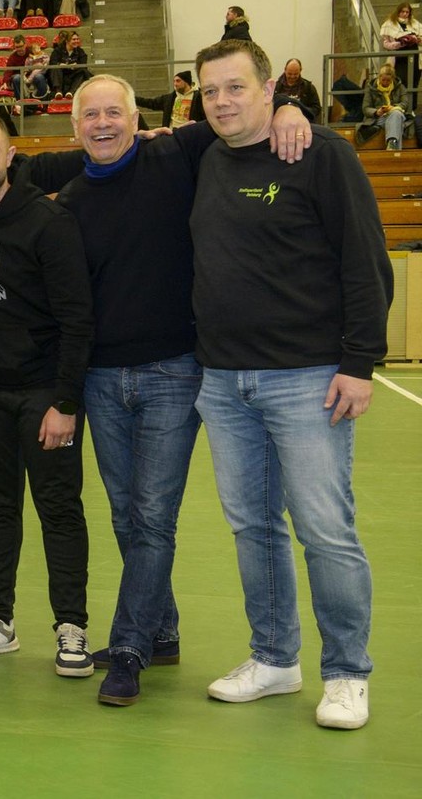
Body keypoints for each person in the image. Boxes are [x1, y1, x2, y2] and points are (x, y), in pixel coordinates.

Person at [40, 73, 311, 706]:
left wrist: (292, 105)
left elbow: (240, 113)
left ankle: (130, 645)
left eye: (116, 112)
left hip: (174, 372)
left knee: (153, 517)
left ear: (140, 118)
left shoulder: (176, 153)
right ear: (75, 128)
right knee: (126, 512)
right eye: (91, 116)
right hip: (103, 378)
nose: (104, 124)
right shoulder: (70, 197)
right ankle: (161, 632)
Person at [190, 39, 391, 730]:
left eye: (236, 87)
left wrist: (361, 362)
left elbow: (365, 260)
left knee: (325, 530)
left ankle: (346, 672)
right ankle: (275, 657)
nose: (223, 101)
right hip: (222, 381)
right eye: (210, 90)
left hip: (308, 380)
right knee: (253, 529)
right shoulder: (205, 157)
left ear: (269, 87)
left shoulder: (318, 153)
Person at [0, 109, 93, 678]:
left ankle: (71, 626)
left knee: (58, 507)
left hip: (43, 392)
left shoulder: (47, 222)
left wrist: (66, 401)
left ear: (10, 156)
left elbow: (78, 318)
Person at [361, 62, 413, 150]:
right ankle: (394, 146)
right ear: (379, 77)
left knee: (396, 114)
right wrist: (376, 112)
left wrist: (394, 108)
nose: (385, 82)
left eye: (388, 80)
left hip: (396, 115)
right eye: (383, 79)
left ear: (392, 78)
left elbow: (405, 103)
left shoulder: (400, 87)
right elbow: (365, 108)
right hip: (378, 118)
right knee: (397, 120)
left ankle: (392, 143)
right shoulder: (370, 89)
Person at [136, 70, 206, 128]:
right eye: (174, 81)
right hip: (172, 133)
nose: (175, 84)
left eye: (178, 81)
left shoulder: (199, 97)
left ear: (186, 82)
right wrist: (132, 98)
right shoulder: (169, 99)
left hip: (190, 133)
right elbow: (151, 103)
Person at [379, 1, 420, 89]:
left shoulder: (414, 23)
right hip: (399, 57)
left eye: (407, 12)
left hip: (414, 56)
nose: (405, 14)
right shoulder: (389, 24)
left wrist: (416, 39)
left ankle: (412, 102)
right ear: (398, 12)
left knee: (414, 82)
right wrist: (399, 43)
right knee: (402, 81)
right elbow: (386, 44)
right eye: (402, 12)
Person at [50, 31, 90, 97]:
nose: (76, 41)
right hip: (61, 74)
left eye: (77, 39)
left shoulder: (80, 51)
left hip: (73, 74)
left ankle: (71, 92)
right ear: (67, 41)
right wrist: (60, 64)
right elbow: (52, 62)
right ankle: (58, 91)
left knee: (83, 71)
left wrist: (77, 65)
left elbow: (84, 65)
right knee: (55, 67)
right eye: (74, 39)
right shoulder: (58, 50)